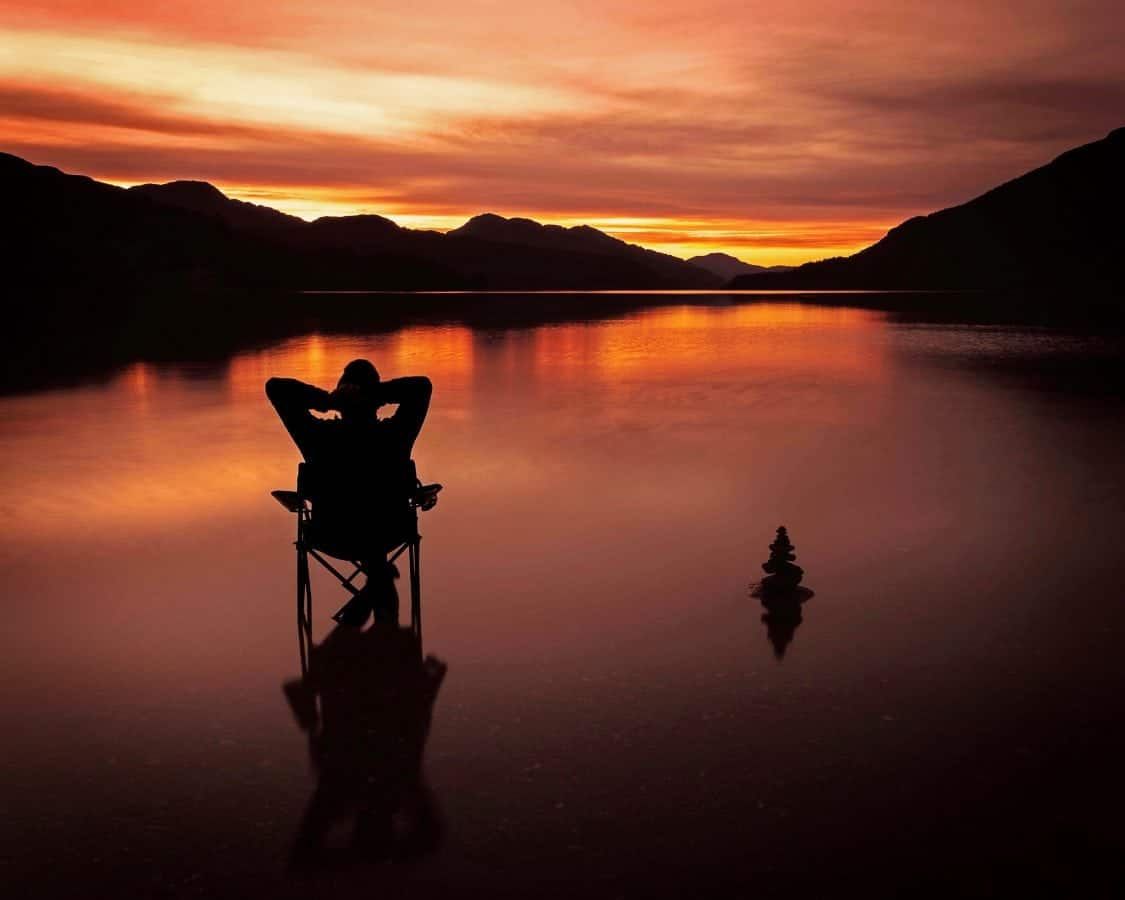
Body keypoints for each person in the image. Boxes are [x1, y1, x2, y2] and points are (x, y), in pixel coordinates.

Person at [266, 359, 432, 626]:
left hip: (331, 535)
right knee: (375, 544)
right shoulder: (396, 435)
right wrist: (373, 394)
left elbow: (276, 388)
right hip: (390, 531)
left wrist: (328, 400)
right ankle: (382, 604)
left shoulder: (316, 437)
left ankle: (370, 598)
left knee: (369, 544)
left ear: (342, 400)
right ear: (377, 404)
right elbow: (422, 387)